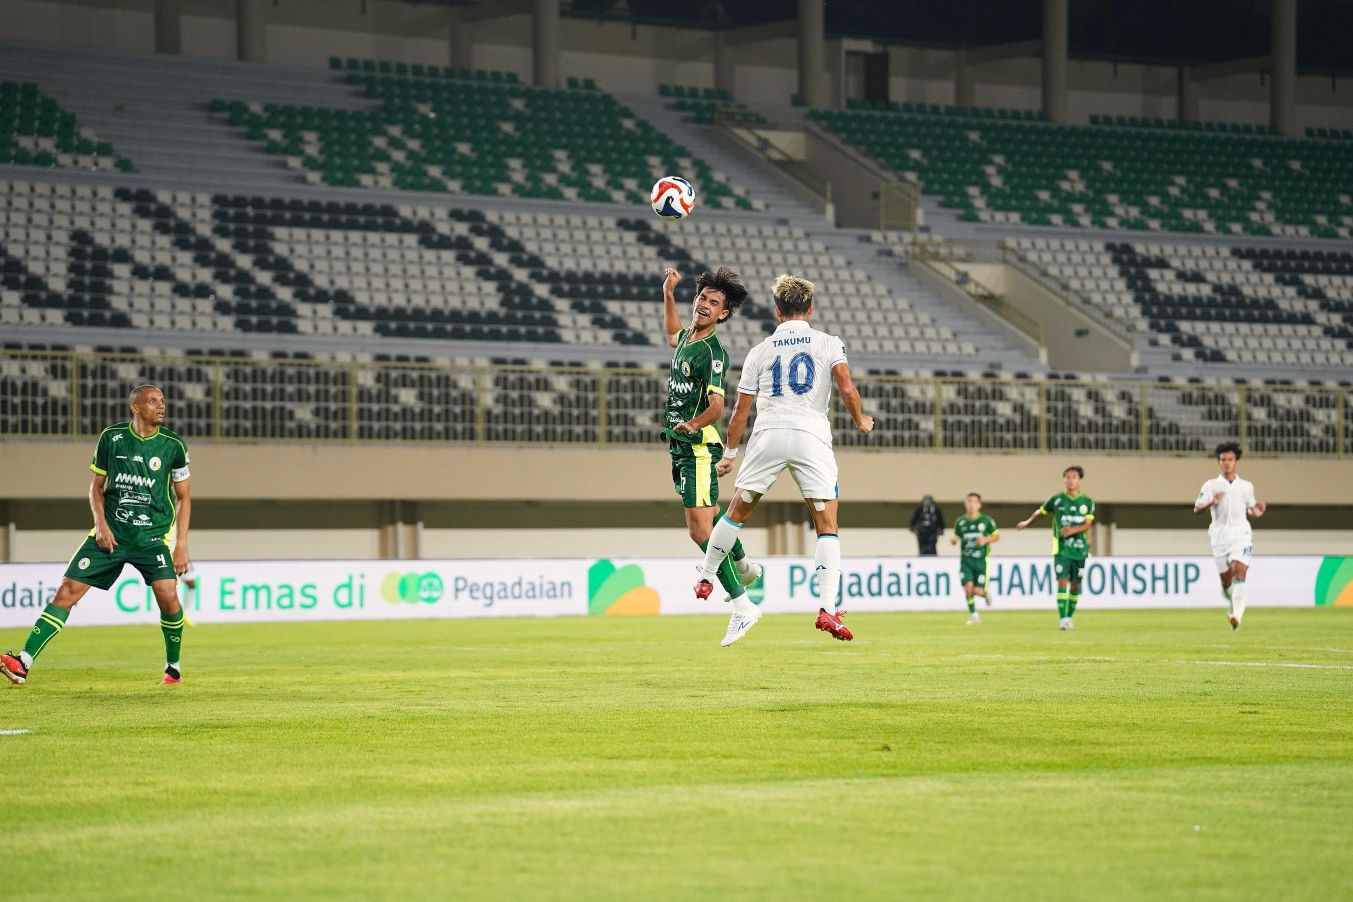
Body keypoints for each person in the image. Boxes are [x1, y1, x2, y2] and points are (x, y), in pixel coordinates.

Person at [694, 273, 874, 646]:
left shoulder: (760, 351)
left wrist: (729, 454)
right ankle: (826, 607)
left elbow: (740, 413)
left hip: (768, 436)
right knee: (826, 523)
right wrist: (861, 420)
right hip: (811, 436)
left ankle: (707, 575)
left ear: (777, 311)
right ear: (809, 308)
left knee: (735, 513)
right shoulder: (829, 343)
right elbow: (846, 387)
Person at [1, 384, 192, 685]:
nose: (161, 406)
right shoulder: (111, 438)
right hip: (110, 534)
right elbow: (95, 487)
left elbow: (184, 497)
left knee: (168, 596)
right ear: (136, 407)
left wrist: (181, 545)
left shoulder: (174, 445)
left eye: (163, 401)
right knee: (67, 591)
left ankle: (173, 666)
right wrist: (101, 525)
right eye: (153, 401)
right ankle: (22, 662)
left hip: (152, 537)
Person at [660, 266, 762, 618]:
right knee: (713, 515)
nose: (704, 304)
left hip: (699, 447)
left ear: (724, 313)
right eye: (702, 297)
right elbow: (672, 333)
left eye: (713, 302)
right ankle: (745, 565)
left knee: (699, 529)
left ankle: (743, 605)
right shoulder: (688, 337)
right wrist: (668, 294)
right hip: (681, 444)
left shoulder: (714, 353)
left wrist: (692, 423)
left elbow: (717, 407)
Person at [1193, 441, 1265, 630]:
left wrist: (1258, 511)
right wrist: (1211, 501)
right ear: (1219, 462)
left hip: (1241, 535)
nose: (1227, 463)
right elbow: (1196, 508)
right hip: (1219, 538)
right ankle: (1232, 604)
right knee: (1226, 582)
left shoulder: (1246, 486)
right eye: (1223, 460)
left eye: (1230, 459)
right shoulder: (1211, 485)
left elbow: (1251, 509)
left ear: (1236, 462)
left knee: (1240, 571)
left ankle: (1236, 617)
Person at [1016, 465, 1093, 630]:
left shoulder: (1087, 502)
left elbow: (1087, 524)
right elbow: (1041, 512)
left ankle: (1069, 616)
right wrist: (1027, 522)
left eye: (1074, 476)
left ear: (1079, 480)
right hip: (1061, 549)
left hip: (1080, 550)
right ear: (1064, 480)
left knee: (1075, 585)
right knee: (1062, 581)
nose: (1071, 480)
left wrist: (1073, 530)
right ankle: (1063, 618)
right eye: (1068, 477)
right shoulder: (1056, 500)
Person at [951, 492, 999, 625]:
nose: (971, 504)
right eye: (969, 501)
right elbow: (956, 536)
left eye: (974, 502)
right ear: (965, 504)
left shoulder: (986, 521)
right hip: (966, 560)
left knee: (976, 590)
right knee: (968, 588)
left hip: (981, 561)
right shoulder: (960, 522)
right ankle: (974, 615)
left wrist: (986, 539)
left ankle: (984, 594)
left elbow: (996, 536)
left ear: (979, 505)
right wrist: (954, 540)